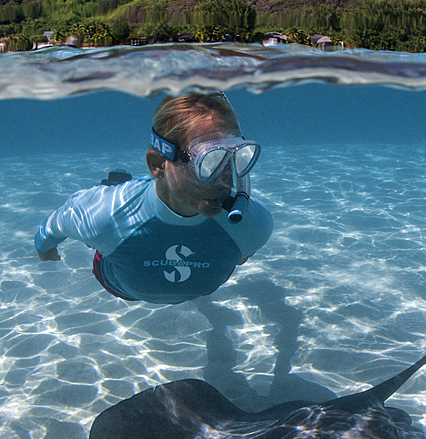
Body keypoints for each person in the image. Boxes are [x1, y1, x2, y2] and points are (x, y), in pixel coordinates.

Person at [34, 92, 273, 304]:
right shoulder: (102, 215)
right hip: (118, 287)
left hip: (188, 290)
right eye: (209, 162)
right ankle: (117, 183)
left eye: (238, 158)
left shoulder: (254, 223)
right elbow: (55, 224)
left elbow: (241, 254)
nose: (228, 181)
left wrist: (45, 249)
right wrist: (44, 249)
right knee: (121, 196)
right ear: (157, 163)